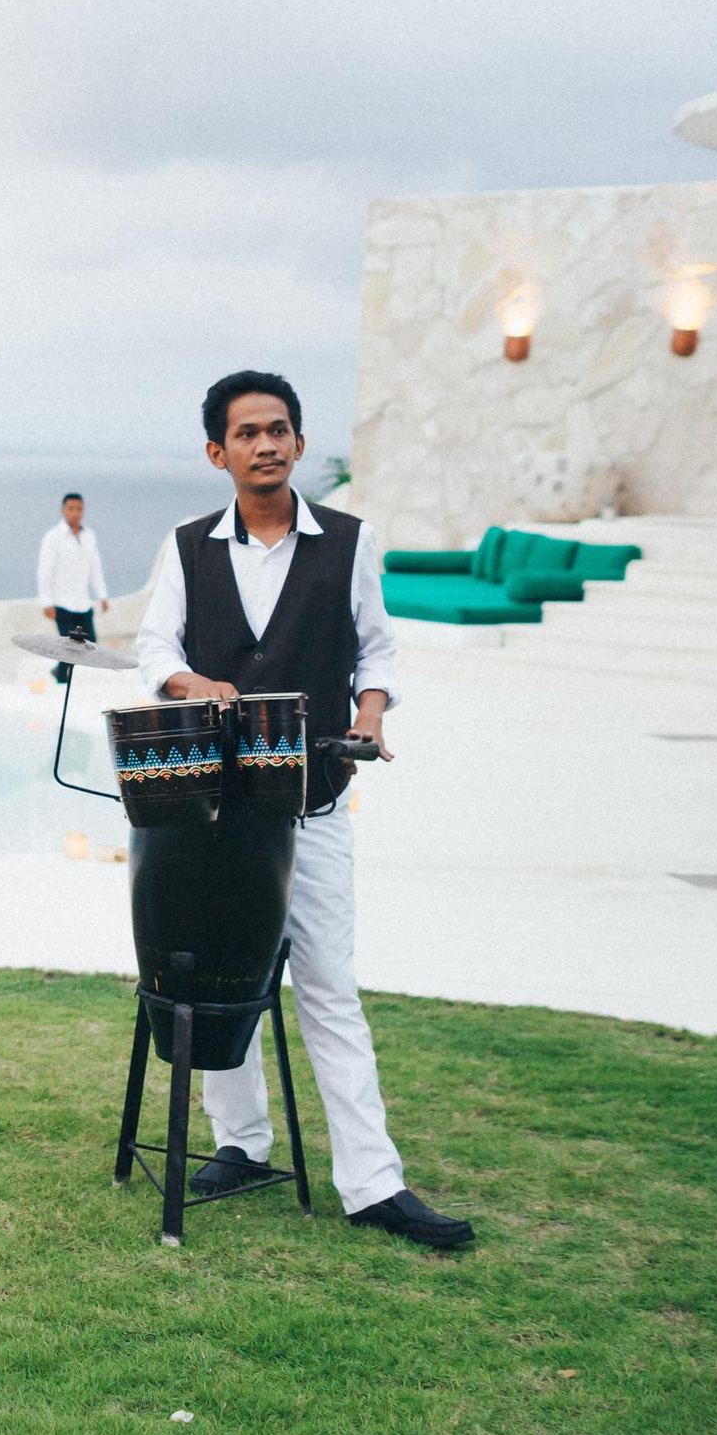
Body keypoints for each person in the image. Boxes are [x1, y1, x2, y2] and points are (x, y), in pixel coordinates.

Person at [135, 370, 471, 1249]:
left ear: (298, 440)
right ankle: (240, 1144)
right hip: (216, 809)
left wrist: (369, 716)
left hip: (315, 802)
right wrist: (190, 680)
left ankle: (373, 1183)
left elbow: (377, 649)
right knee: (220, 974)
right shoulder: (186, 546)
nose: (267, 444)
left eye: (280, 429)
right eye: (247, 432)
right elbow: (152, 644)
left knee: (326, 987)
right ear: (219, 451)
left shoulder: (349, 542)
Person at [37, 492, 110, 682]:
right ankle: (62, 678)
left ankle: (61, 672)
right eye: (71, 509)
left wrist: (102, 595)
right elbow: (45, 570)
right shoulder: (53, 537)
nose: (75, 513)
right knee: (68, 645)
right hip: (62, 602)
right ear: (63, 510)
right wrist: (47, 602)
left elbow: (95, 567)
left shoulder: (89, 536)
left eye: (78, 509)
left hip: (82, 602)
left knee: (89, 643)